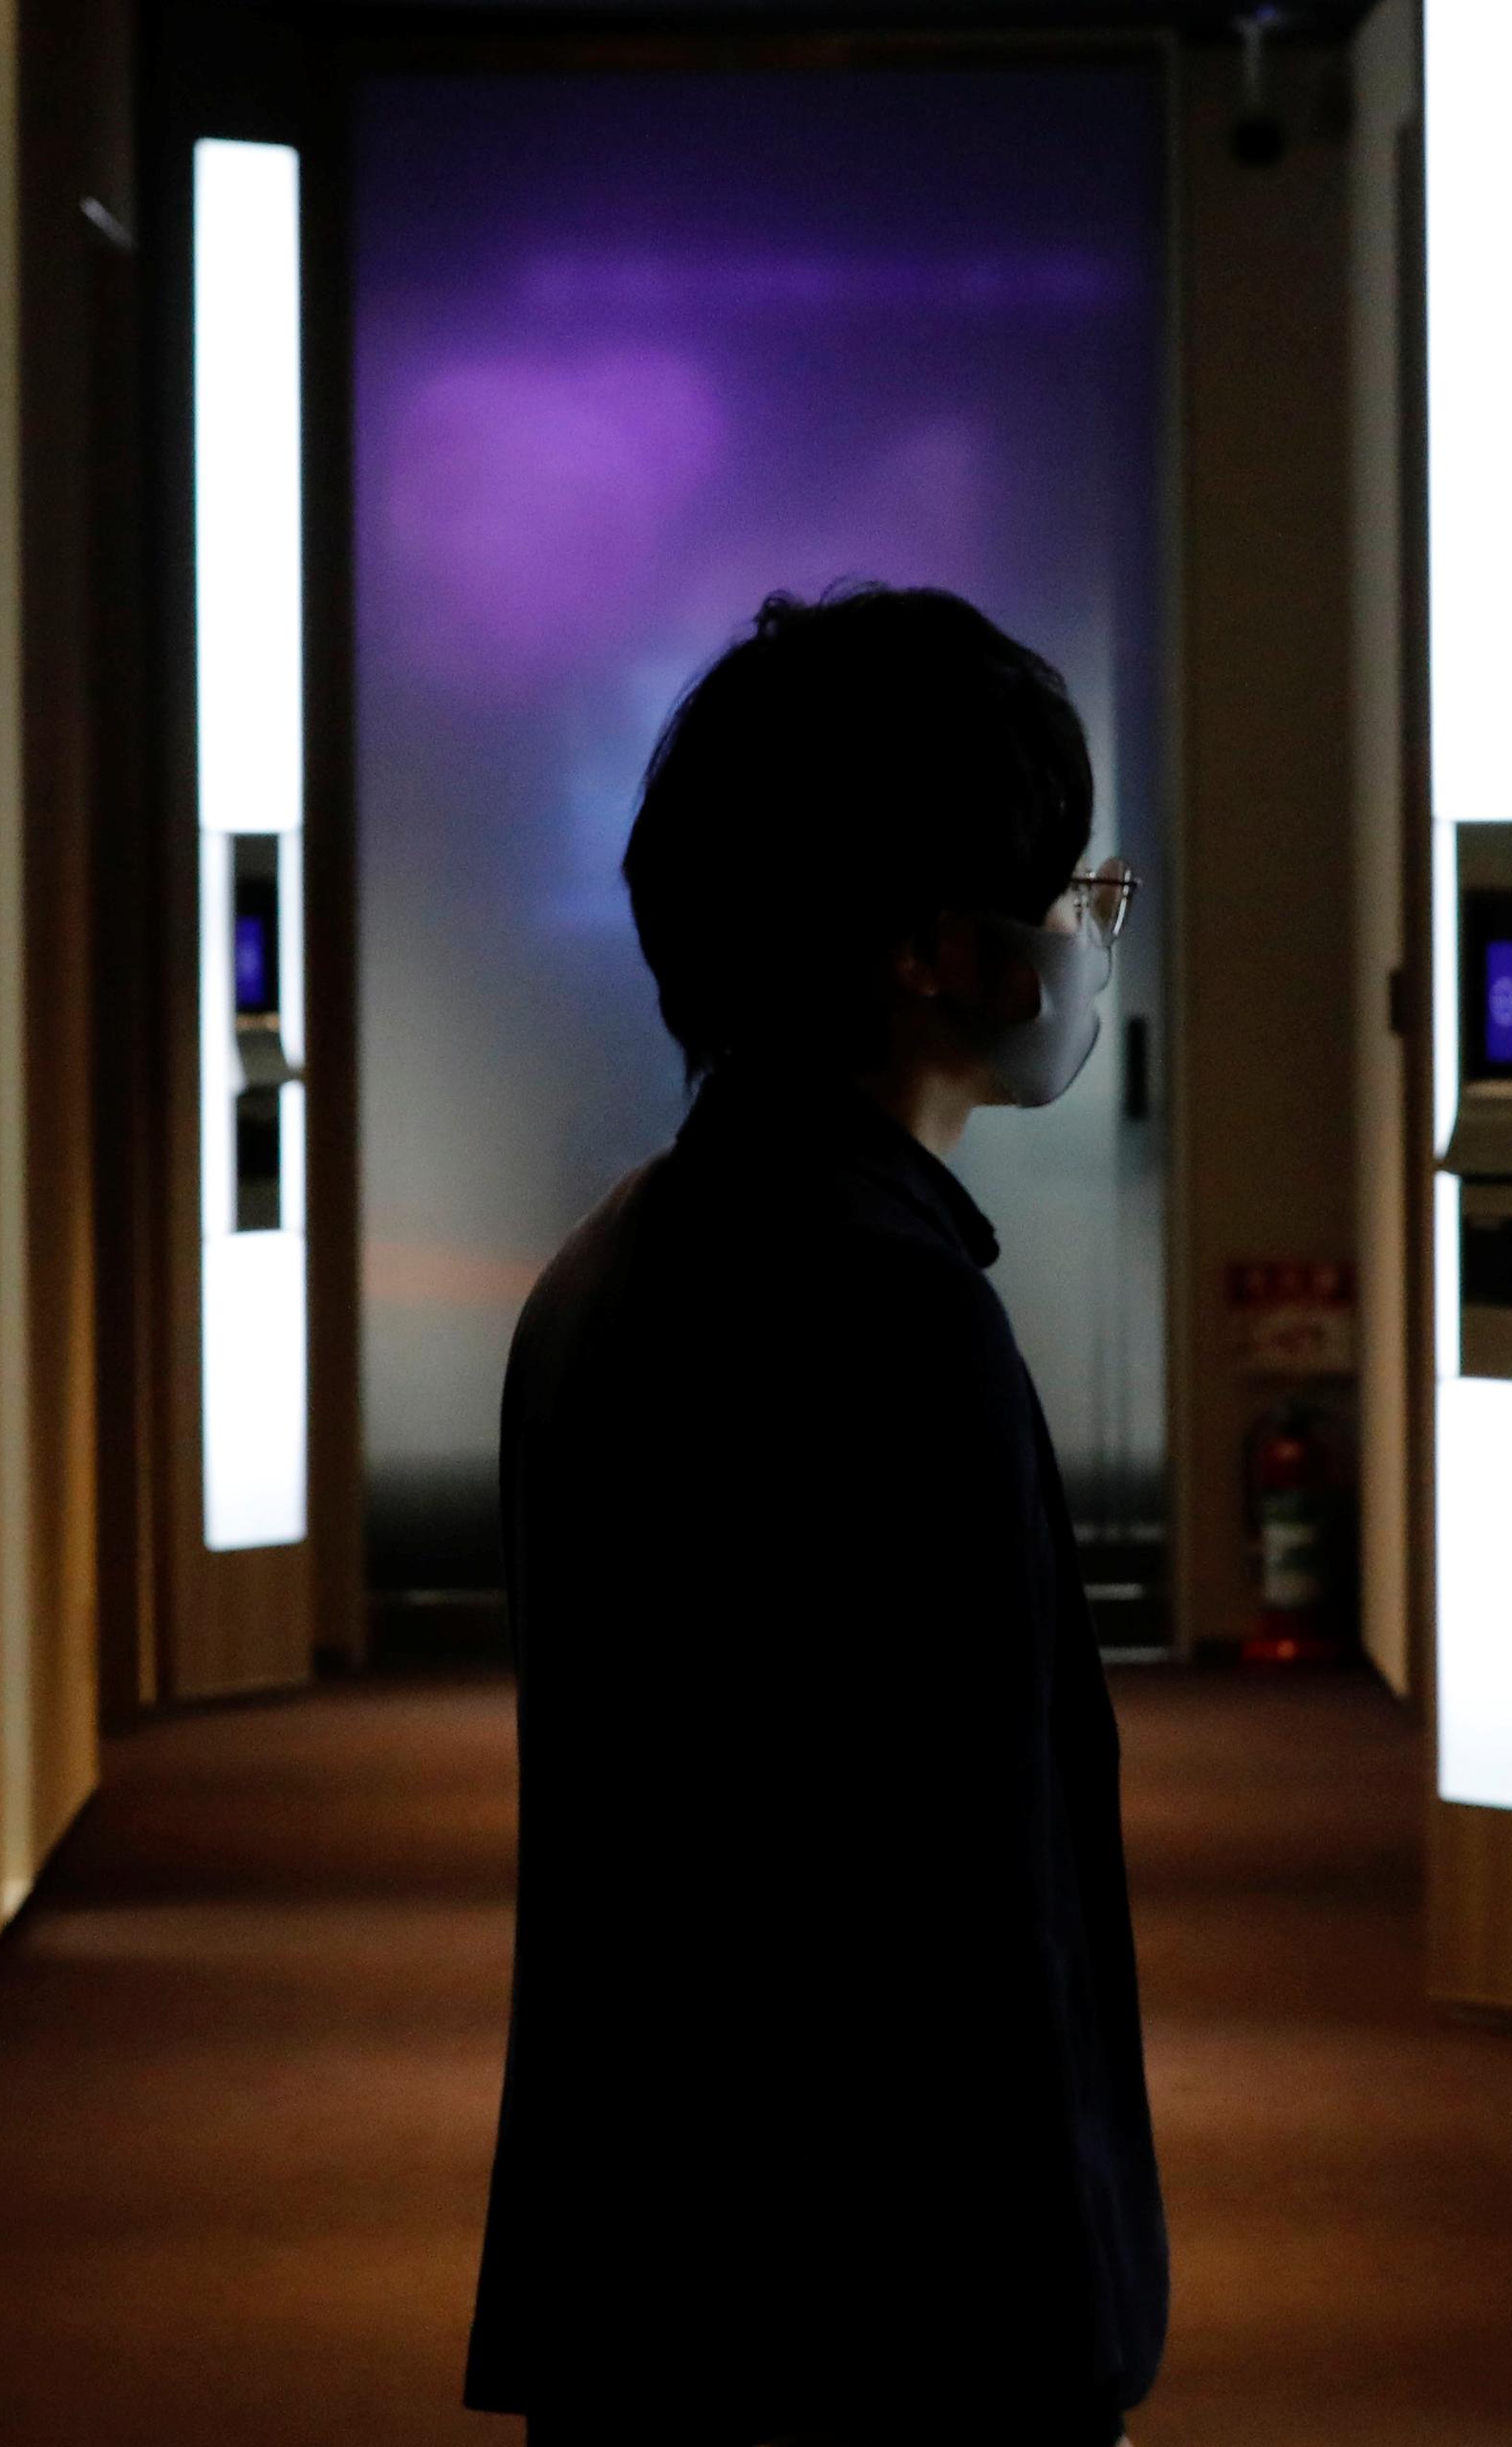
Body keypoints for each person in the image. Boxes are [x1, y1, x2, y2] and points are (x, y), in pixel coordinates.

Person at [466, 586, 1163, 2447]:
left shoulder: (623, 1256)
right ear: (938, 947)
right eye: (1066, 884)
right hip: (882, 2312)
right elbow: (968, 1887)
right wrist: (1070, 2324)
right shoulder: (888, 1307)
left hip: (667, 2275)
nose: (1093, 926)